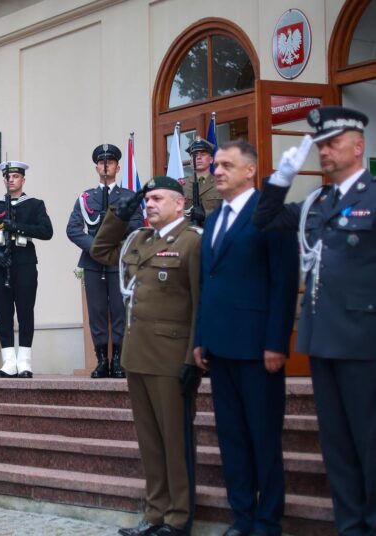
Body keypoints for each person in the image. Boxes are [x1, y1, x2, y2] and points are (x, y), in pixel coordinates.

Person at [254, 106, 376, 536]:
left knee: (370, 446)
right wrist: (279, 181)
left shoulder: (373, 196)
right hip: (322, 338)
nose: (324, 151)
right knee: (337, 449)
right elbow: (265, 220)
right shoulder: (316, 202)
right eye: (320, 145)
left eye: (333, 143)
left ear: (358, 146)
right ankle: (351, 528)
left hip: (365, 342)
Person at [193, 140, 299, 536]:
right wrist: (201, 337)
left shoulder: (270, 213)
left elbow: (284, 282)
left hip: (258, 349)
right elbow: (208, 283)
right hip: (220, 347)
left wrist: (276, 342)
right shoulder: (215, 217)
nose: (216, 171)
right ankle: (242, 518)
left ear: (250, 170)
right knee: (232, 438)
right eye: (215, 165)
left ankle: (268, 521)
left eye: (225, 165)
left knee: (263, 438)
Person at [91, 176, 202, 536]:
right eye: (147, 199)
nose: (149, 204)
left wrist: (193, 358)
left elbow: (201, 305)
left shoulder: (191, 242)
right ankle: (155, 515)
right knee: (151, 442)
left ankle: (178, 518)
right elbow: (101, 252)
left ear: (178, 204)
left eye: (156, 198)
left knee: (174, 440)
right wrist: (117, 217)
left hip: (172, 358)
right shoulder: (139, 239)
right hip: (137, 355)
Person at [67, 144, 144, 378]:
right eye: (102, 162)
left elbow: (138, 225)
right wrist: (95, 248)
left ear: (118, 167)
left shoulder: (128, 197)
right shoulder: (86, 197)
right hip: (93, 262)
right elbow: (73, 229)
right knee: (97, 311)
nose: (106, 165)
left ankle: (119, 361)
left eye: (110, 162)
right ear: (96, 167)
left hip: (118, 261)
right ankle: (102, 360)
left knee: (120, 311)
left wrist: (113, 231)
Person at [0, 161, 53, 378]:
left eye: (15, 176)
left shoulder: (34, 205)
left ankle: (25, 361)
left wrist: (16, 226)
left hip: (25, 263)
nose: (11, 180)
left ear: (23, 180)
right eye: (8, 176)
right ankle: (9, 362)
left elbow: (47, 231)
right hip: (0, 265)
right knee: (4, 312)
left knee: (25, 311)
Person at [182, 136, 222, 224]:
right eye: (195, 155)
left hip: (212, 232)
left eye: (203, 154)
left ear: (211, 160)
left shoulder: (221, 183)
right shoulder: (182, 185)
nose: (198, 157)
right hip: (188, 234)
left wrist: (205, 215)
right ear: (191, 161)